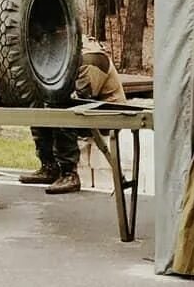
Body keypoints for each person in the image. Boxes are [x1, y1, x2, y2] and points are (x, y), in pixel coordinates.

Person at [19, 37, 128, 195]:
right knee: (39, 110)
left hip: (109, 113)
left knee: (63, 113)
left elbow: (83, 97)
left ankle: (70, 174)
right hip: (90, 110)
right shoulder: (67, 58)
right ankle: (49, 167)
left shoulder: (92, 58)